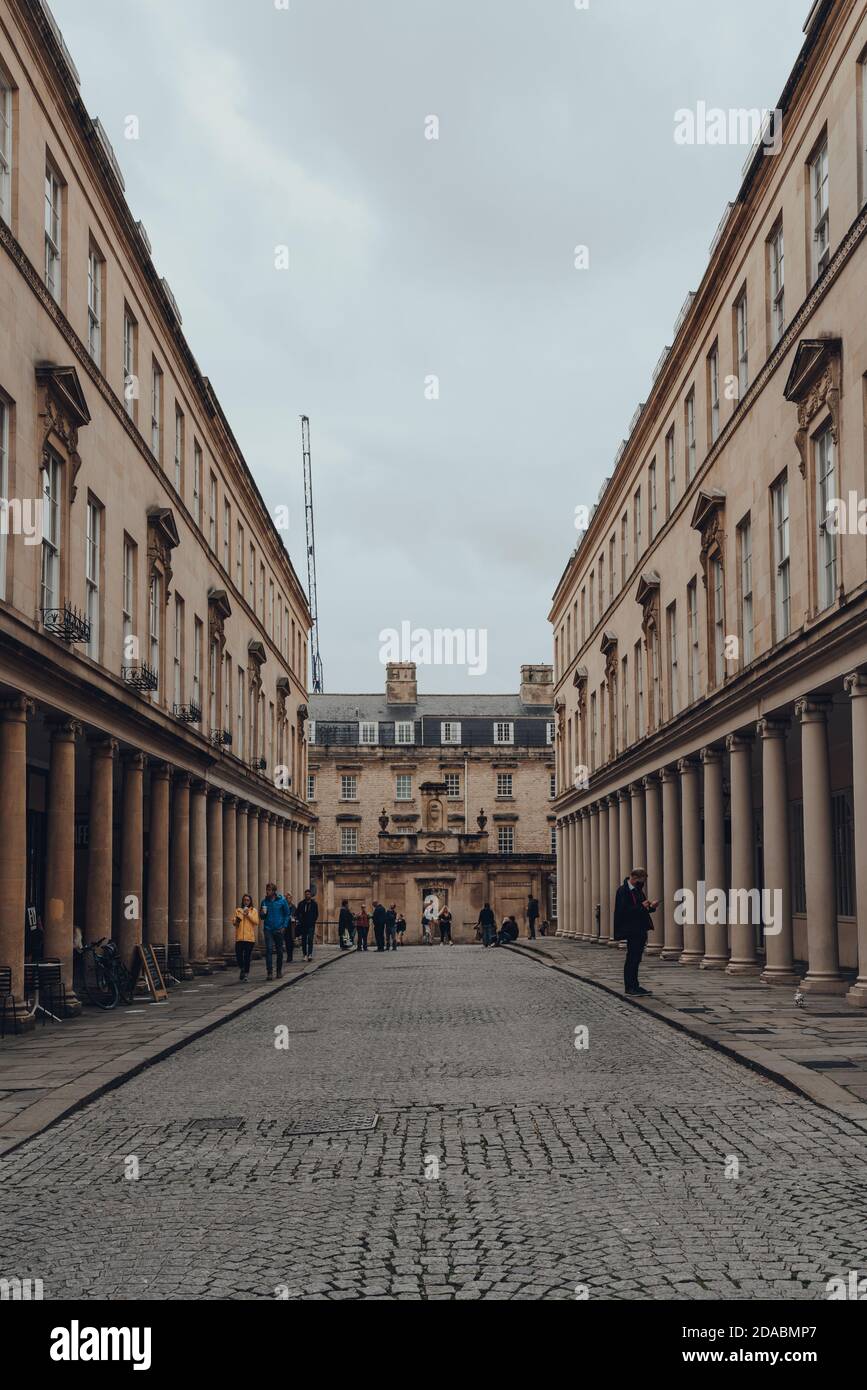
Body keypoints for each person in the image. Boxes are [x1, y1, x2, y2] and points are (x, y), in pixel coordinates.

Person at [613, 866, 658, 996]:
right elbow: (623, 912)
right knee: (632, 958)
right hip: (631, 930)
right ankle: (630, 987)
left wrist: (651, 907)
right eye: (641, 880)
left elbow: (642, 910)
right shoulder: (623, 891)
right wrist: (641, 906)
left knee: (636, 959)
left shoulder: (638, 890)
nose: (642, 883)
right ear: (634, 878)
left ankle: (635, 985)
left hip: (639, 929)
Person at [260, 882, 291, 980]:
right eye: (267, 890)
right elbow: (262, 917)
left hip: (279, 929)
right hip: (268, 928)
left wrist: (284, 927)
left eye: (269, 890)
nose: (267, 892)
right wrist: (262, 913)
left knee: (279, 951)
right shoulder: (264, 902)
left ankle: (278, 971)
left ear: (274, 891)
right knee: (269, 950)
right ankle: (269, 972)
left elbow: (287, 914)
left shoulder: (282, 901)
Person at [232, 895, 259, 981]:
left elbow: (256, 922)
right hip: (239, 938)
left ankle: (246, 974)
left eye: (248, 900)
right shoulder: (238, 910)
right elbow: (234, 923)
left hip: (249, 938)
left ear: (250, 901)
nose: (246, 902)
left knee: (247, 957)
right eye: (244, 900)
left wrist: (248, 914)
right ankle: (242, 968)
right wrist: (236, 920)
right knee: (239, 955)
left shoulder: (253, 910)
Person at [295, 889, 319, 963]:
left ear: (310, 895)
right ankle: (305, 954)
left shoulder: (314, 904)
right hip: (303, 925)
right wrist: (299, 920)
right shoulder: (301, 904)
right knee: (304, 940)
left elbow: (316, 914)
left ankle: (310, 954)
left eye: (308, 894)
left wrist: (313, 920)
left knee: (310, 939)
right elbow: (297, 913)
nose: (307, 895)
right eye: (306, 894)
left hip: (311, 925)